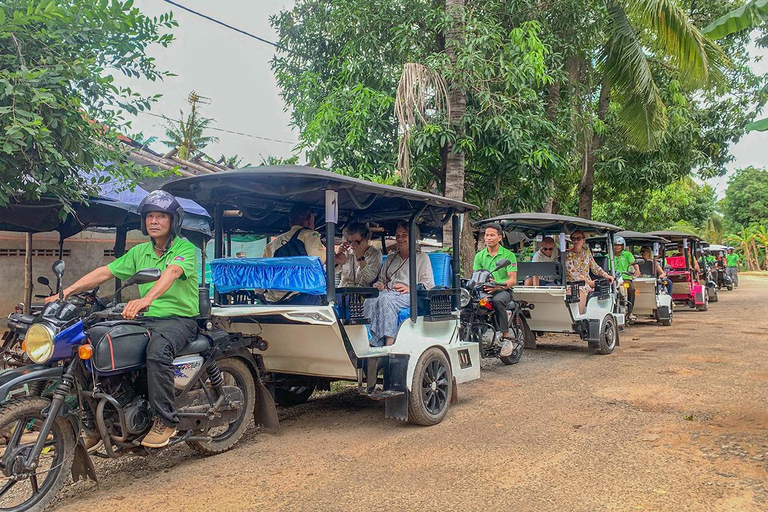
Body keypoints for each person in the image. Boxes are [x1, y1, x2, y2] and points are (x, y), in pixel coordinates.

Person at [46, 191, 199, 448]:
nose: (154, 221)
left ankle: (166, 421)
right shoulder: (140, 251)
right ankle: (102, 419)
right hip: (146, 319)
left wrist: (146, 299)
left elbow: (172, 273)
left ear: (174, 221)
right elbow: (104, 272)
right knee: (98, 344)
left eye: (161, 216)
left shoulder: (184, 248)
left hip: (179, 319)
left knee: (157, 352)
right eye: (150, 216)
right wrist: (65, 293)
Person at [364, 222, 433, 347]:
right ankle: (370, 339)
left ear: (413, 237)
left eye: (404, 235)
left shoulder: (422, 258)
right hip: (389, 292)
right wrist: (379, 285)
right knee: (370, 299)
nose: (400, 239)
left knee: (386, 300)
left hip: (411, 295)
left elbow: (427, 284)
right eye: (398, 235)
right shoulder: (390, 258)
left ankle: (389, 342)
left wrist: (410, 288)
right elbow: (381, 279)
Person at [262, 204, 326, 304]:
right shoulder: (309, 234)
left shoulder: (272, 244)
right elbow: (318, 259)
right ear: (310, 220)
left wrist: (260, 293)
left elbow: (263, 272)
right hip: (301, 299)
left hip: (274, 301)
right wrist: (334, 258)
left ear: (290, 222)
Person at [472, 223, 518, 356]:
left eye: (492, 235)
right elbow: (476, 276)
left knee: (498, 301)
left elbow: (512, 280)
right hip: (484, 290)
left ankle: (505, 337)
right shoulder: (479, 255)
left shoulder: (508, 255)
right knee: (470, 303)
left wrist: (498, 286)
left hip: (503, 290)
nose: (488, 238)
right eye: (487, 235)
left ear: (499, 237)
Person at [565, 230, 614, 314]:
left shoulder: (587, 252)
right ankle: (574, 316)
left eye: (578, 238)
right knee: (575, 290)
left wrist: (607, 275)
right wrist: (589, 282)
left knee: (581, 290)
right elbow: (572, 272)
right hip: (571, 282)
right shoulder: (568, 254)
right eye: (573, 239)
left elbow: (595, 267)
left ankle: (579, 315)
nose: (576, 241)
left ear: (583, 239)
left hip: (585, 284)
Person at [335, 222, 383, 288]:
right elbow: (332, 272)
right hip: (344, 290)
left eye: (356, 242)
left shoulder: (375, 254)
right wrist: (337, 257)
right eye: (350, 242)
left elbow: (370, 279)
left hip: (362, 292)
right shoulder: (346, 252)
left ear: (366, 238)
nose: (352, 245)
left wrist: (360, 257)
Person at [613, 236, 639, 319]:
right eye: (615, 245)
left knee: (631, 289)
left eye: (619, 245)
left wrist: (637, 271)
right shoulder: (608, 255)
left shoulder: (628, 254)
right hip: (612, 278)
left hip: (625, 277)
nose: (617, 247)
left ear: (622, 246)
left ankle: (630, 311)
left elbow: (634, 263)